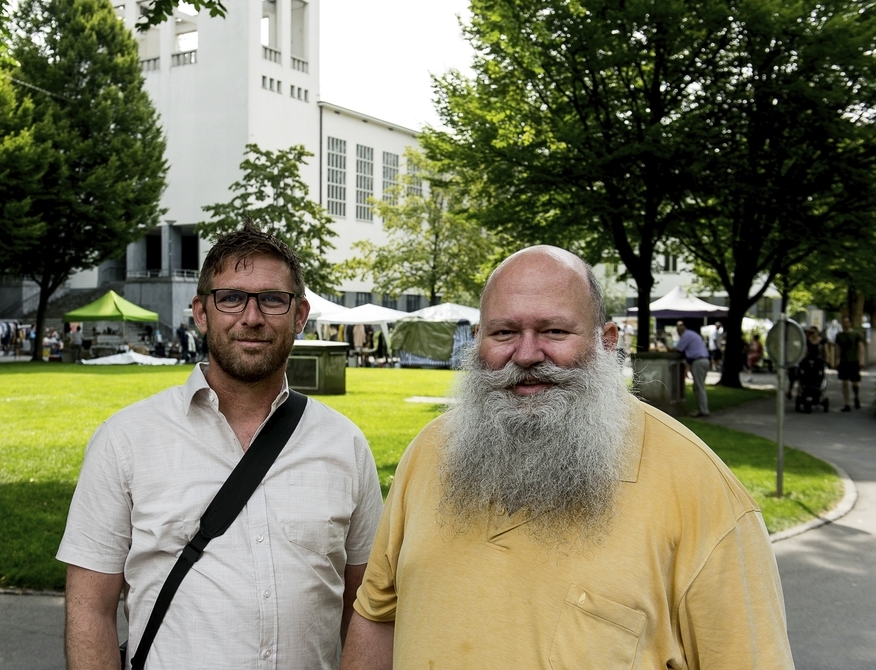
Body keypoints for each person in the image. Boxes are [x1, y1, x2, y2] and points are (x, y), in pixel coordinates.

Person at [341, 245, 794, 670]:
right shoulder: (430, 451)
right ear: (479, 340)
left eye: (555, 331)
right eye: (504, 332)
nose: (526, 354)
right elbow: (377, 614)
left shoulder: (701, 491)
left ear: (608, 341)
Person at [58, 223, 384, 670]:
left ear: (300, 315)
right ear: (201, 312)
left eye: (272, 299)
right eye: (231, 297)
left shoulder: (344, 444)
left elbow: (366, 607)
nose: (251, 317)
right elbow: (89, 610)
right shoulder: (126, 439)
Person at [673, 320, 710, 417]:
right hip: (705, 360)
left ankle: (704, 411)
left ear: (679, 331)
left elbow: (678, 349)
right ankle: (702, 409)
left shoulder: (686, 336)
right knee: (698, 387)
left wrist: (667, 349)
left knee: (699, 387)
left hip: (698, 362)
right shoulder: (692, 334)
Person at [834, 316, 867, 412]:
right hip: (844, 361)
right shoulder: (839, 336)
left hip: (854, 360)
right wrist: (836, 360)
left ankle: (856, 397)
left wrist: (861, 360)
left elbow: (861, 347)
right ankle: (847, 403)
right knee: (844, 382)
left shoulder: (856, 334)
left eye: (847, 322)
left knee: (855, 383)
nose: (845, 324)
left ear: (850, 323)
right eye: (843, 322)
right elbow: (837, 348)